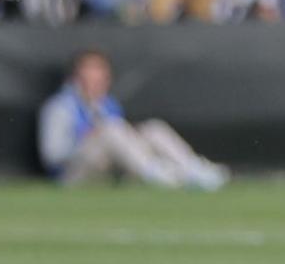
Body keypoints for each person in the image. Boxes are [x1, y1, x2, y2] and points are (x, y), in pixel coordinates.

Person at [37, 50, 229, 190]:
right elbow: (52, 156)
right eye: (89, 80)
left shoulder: (107, 105)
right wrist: (87, 140)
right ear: (76, 80)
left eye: (100, 80)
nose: (95, 86)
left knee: (152, 128)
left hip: (112, 169)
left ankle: (191, 168)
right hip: (74, 173)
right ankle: (155, 174)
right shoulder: (60, 108)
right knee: (111, 130)